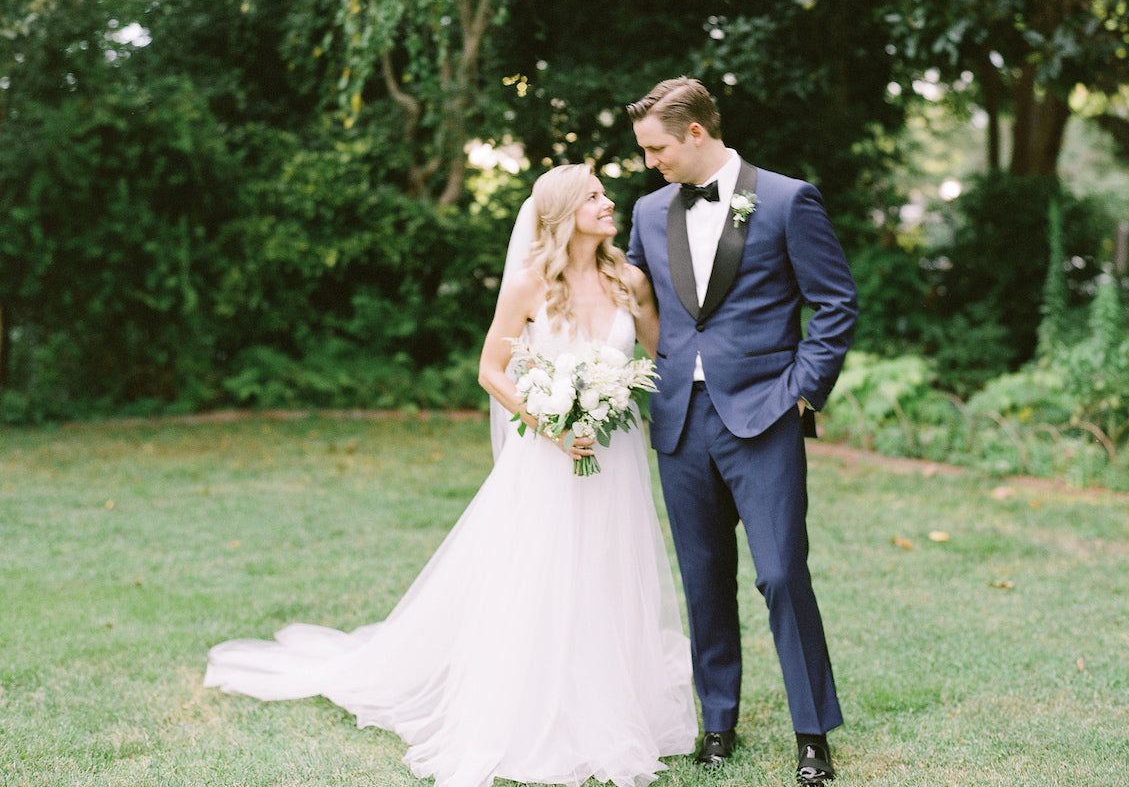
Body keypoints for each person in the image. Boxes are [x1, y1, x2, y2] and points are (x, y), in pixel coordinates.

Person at [204, 163, 698, 787]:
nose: (609, 203)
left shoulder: (630, 281)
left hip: (613, 453)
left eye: (605, 194)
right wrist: (548, 423)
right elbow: (491, 370)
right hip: (547, 455)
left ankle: (615, 700)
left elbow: (665, 356)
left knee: (609, 567)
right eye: (594, 196)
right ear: (563, 212)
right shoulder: (528, 287)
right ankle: (538, 707)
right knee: (543, 574)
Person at [624, 77, 858, 784]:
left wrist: (802, 391)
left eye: (656, 148)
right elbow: (630, 299)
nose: (648, 162)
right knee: (703, 579)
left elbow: (835, 303)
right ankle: (717, 720)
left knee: (782, 573)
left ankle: (812, 732)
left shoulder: (788, 199)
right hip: (680, 420)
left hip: (765, 415)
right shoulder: (645, 209)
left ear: (696, 131)